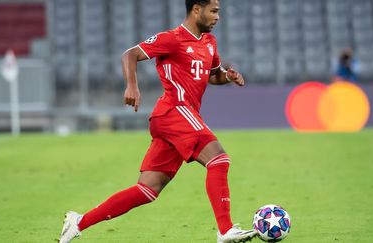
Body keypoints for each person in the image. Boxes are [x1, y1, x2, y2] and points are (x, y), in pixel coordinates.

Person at [58, 0, 257, 242]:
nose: (217, 17)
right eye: (213, 11)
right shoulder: (172, 39)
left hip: (180, 117)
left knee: (147, 190)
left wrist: (227, 76)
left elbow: (212, 76)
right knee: (219, 159)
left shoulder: (209, 43)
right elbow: (129, 55)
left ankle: (78, 222)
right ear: (196, 9)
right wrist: (132, 86)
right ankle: (225, 230)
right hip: (174, 110)